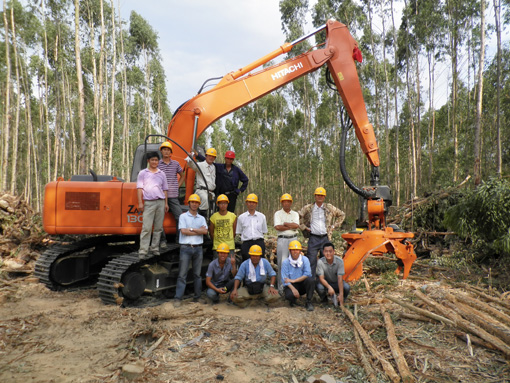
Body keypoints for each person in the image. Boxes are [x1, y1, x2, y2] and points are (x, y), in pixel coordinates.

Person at [299, 187, 345, 279]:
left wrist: (333, 226)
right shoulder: (308, 208)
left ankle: (325, 285)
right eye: (318, 195)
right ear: (315, 196)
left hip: (325, 238)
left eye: (322, 195)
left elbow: (342, 214)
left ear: (324, 197)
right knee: (311, 262)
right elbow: (297, 216)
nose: (320, 197)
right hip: (313, 238)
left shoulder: (329, 207)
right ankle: (310, 287)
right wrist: (304, 227)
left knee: (327, 262)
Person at [174, 194, 208, 307]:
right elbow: (183, 231)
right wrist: (198, 230)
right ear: (189, 203)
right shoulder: (183, 217)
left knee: (197, 275)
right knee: (182, 275)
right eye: (192, 202)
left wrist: (192, 229)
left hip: (198, 249)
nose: (194, 204)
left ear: (199, 204)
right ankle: (178, 299)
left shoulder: (202, 218)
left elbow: (205, 232)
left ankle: (197, 297)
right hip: (186, 248)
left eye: (196, 202)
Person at [137, 151, 169, 259]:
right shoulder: (143, 173)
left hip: (160, 202)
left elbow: (165, 189)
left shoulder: (162, 174)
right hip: (149, 202)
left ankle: (155, 248)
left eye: (156, 160)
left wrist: (166, 203)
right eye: (152, 160)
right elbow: (139, 189)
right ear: (148, 161)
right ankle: (143, 250)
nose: (154, 162)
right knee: (146, 227)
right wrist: (140, 203)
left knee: (158, 228)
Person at [158, 141, 185, 246]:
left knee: (180, 216)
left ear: (171, 152)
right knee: (159, 218)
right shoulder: (158, 164)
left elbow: (182, 175)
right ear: (161, 151)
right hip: (160, 196)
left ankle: (178, 239)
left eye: (168, 150)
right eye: (164, 149)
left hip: (173, 195)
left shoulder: (176, 164)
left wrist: (177, 185)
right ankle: (162, 240)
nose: (166, 151)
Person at [274, 193, 300, 294]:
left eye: (288, 201)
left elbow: (296, 225)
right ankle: (281, 288)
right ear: (282, 203)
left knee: (295, 262)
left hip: (294, 239)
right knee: (282, 262)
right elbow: (277, 227)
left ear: (291, 203)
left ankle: (294, 286)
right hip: (283, 240)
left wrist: (285, 224)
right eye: (284, 201)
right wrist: (290, 226)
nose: (286, 203)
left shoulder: (295, 214)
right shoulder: (278, 214)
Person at [281, 240, 315, 311]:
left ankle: (308, 301)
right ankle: (293, 301)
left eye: (297, 250)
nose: (295, 252)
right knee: (289, 295)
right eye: (293, 250)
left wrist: (294, 280)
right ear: (290, 251)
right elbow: (285, 279)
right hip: (292, 285)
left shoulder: (305, 259)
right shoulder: (286, 262)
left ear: (300, 251)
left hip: (302, 283)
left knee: (310, 280)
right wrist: (293, 289)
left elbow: (308, 273)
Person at [316, 242, 350, 307]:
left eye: (330, 251)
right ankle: (324, 299)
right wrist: (329, 287)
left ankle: (341, 299)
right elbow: (321, 278)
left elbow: (340, 278)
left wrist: (341, 294)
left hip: (336, 282)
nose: (328, 253)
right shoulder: (320, 262)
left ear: (334, 252)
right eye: (326, 251)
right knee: (319, 287)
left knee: (346, 287)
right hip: (326, 283)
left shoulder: (339, 261)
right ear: (323, 252)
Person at [236, 193, 267, 261]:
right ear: (246, 203)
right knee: (247, 263)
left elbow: (264, 231)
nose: (251, 204)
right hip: (246, 243)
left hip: (259, 242)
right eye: (249, 202)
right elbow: (239, 232)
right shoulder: (241, 217)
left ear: (256, 204)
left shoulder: (262, 216)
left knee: (260, 263)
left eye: (254, 202)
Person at [186, 148, 216, 216]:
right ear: (206, 156)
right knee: (205, 200)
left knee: (213, 207)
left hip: (210, 191)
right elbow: (192, 165)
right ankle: (202, 218)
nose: (211, 158)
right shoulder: (201, 165)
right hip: (202, 191)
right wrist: (190, 157)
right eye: (209, 156)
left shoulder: (213, 167)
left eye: (213, 156)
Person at [209, 194, 237, 259]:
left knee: (230, 266)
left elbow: (234, 232)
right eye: (221, 203)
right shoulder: (213, 217)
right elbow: (211, 232)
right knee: (217, 267)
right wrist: (216, 240)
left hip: (230, 246)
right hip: (217, 247)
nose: (223, 205)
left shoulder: (232, 216)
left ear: (227, 204)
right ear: (218, 204)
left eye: (225, 203)